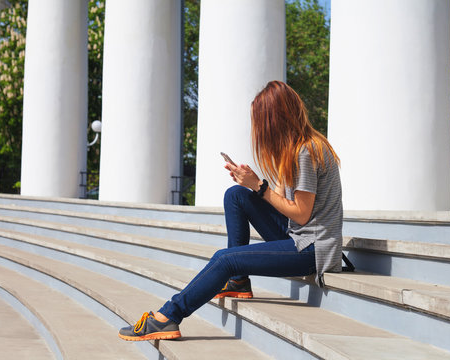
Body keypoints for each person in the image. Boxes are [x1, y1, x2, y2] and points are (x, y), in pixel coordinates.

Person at [118, 80, 343, 341]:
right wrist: (251, 183)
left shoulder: (307, 150)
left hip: (313, 250)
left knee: (225, 258)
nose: (257, 128)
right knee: (236, 195)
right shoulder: (293, 150)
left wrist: (259, 186)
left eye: (259, 120)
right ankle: (238, 281)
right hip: (298, 237)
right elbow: (282, 201)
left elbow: (302, 214)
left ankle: (168, 317)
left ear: (275, 119)